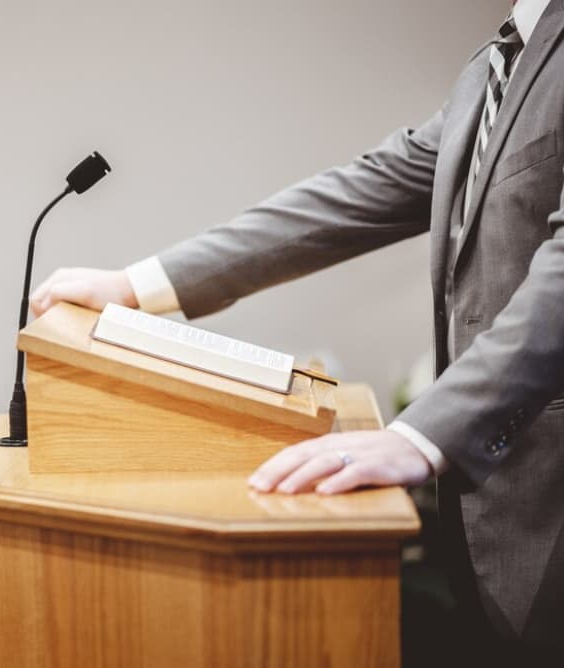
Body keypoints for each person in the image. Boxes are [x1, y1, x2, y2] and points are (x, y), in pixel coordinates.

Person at [30, 1, 563, 663]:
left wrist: (424, 433)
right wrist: (140, 284)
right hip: (487, 524)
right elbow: (364, 190)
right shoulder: (492, 64)